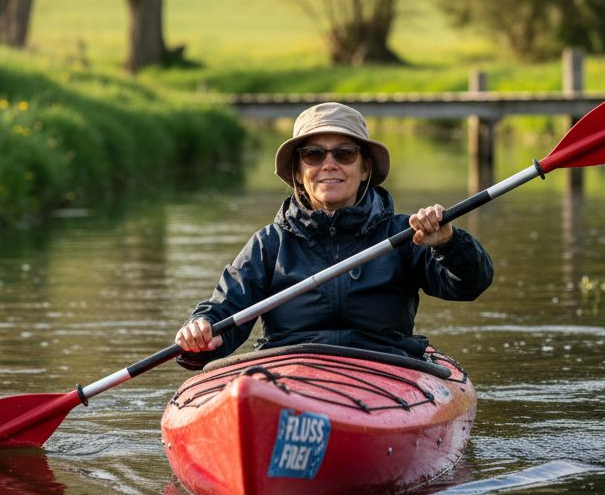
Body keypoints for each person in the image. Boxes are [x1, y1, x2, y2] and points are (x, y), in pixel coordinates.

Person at [174, 102, 494, 368]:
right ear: (299, 171)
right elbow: (223, 315)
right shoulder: (269, 244)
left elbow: (470, 284)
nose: (329, 164)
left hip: (385, 372)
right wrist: (200, 332)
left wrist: (450, 244)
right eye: (313, 154)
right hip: (288, 373)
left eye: (344, 154)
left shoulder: (404, 234)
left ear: (365, 168)